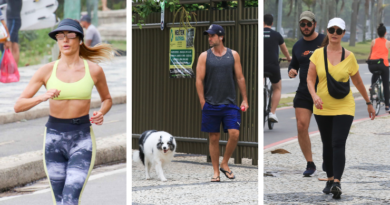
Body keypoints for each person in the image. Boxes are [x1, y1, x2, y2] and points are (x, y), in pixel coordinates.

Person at [14, 19, 114, 205]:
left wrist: (101, 112)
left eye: (70, 35)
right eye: (60, 36)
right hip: (53, 139)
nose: (65, 40)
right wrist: (42, 98)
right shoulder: (46, 71)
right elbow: (18, 106)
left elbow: (107, 99)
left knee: (70, 199)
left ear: (80, 40)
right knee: (59, 200)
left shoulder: (94, 70)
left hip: (82, 138)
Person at [307, 17, 375, 199]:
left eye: (339, 31)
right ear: (327, 31)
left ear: (343, 34)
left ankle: (337, 182)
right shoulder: (318, 54)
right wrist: (314, 96)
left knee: (338, 143)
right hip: (322, 107)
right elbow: (310, 79)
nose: (335, 33)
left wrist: (369, 103)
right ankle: (329, 178)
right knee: (327, 144)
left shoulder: (350, 57)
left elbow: (358, 81)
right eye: (332, 30)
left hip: (344, 106)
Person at [196, 24, 249, 182]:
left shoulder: (233, 55)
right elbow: (199, 80)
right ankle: (216, 172)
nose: (209, 38)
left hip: (230, 103)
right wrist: (202, 102)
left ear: (221, 37)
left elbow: (240, 78)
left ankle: (224, 163)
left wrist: (245, 98)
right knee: (213, 138)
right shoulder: (204, 56)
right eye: (208, 36)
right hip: (211, 104)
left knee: (234, 133)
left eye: (212, 35)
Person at [288, 11, 325, 177]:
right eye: (302, 24)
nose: (305, 27)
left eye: (308, 24)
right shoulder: (297, 46)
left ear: (314, 24)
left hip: (324, 92)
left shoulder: (325, 40)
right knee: (301, 126)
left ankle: (329, 159)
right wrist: (292, 71)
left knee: (327, 130)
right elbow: (293, 64)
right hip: (304, 92)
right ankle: (310, 163)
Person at [263, 14, 291, 122]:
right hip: (273, 66)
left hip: (261, 66)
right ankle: (272, 113)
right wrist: (288, 58)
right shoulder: (276, 35)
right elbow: (284, 49)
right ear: (272, 23)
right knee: (277, 88)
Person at [367, 23, 390, 113]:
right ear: (385, 33)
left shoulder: (373, 41)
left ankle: (372, 86)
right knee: (385, 84)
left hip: (371, 64)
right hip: (382, 64)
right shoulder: (387, 42)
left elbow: (370, 53)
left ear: (377, 32)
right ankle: (387, 106)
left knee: (375, 73)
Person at [4, 0, 22, 64]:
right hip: (12, 21)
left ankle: (10, 70)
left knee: (8, 44)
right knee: (14, 45)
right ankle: (14, 70)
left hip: (13, 21)